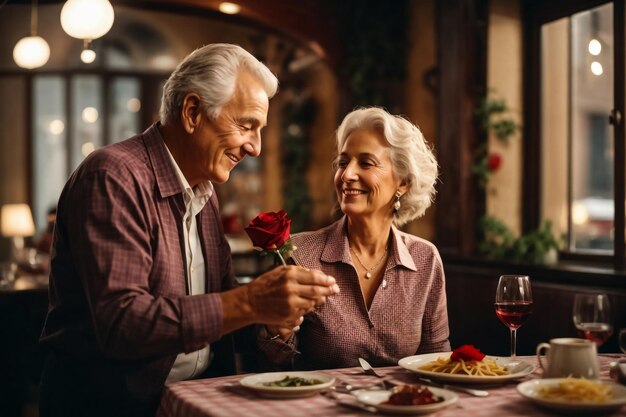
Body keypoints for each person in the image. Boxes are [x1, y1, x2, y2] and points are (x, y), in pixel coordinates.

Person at [38, 43, 339, 417]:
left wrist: (270, 321)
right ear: (193, 112)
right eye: (246, 125)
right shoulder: (113, 175)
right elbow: (122, 324)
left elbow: (223, 316)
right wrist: (248, 302)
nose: (256, 147)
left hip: (195, 401)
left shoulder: (204, 193)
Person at [258, 107, 450, 370]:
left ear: (403, 182)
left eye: (366, 163)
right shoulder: (299, 253)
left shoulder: (425, 259)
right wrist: (277, 330)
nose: (347, 175)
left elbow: (437, 359)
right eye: (343, 162)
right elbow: (276, 364)